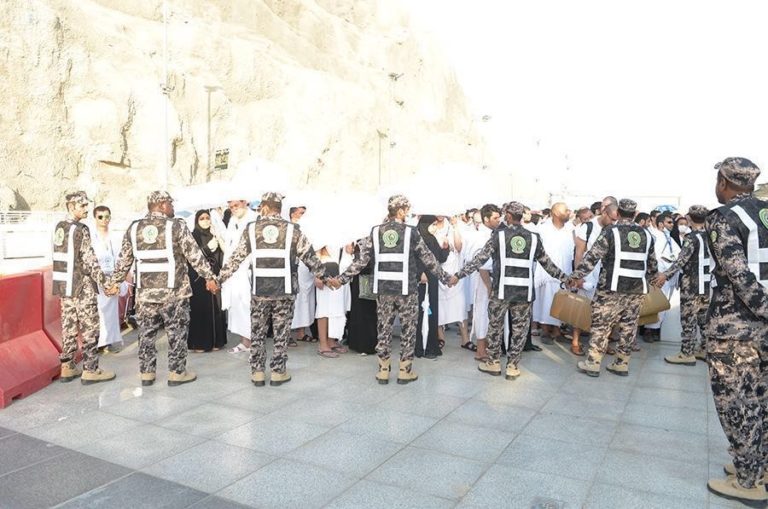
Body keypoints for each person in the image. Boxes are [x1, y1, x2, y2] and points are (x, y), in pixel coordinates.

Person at [701, 158, 768, 503]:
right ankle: (759, 465)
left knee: (736, 405)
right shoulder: (764, 213)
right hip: (763, 331)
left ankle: (747, 481)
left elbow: (739, 276)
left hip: (734, 329)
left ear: (725, 181)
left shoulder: (723, 218)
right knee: (762, 400)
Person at [332, 195, 453, 385]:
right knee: (408, 330)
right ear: (401, 211)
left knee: (384, 329)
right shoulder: (411, 232)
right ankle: (405, 371)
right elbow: (428, 259)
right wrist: (447, 278)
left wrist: (340, 279)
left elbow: (361, 261)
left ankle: (383, 370)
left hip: (384, 289)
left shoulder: (375, 231)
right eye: (407, 209)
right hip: (407, 290)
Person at [108, 191, 219, 387]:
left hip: (145, 295)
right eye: (170, 202)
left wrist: (115, 282)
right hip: (173, 294)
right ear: (161, 205)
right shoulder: (176, 225)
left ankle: (147, 374)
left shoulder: (134, 228)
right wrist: (209, 277)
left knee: (146, 334)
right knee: (176, 333)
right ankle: (177, 373)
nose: (172, 206)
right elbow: (194, 255)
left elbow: (124, 260)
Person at [217, 192, 328, 386]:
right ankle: (278, 372)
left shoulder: (252, 229)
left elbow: (236, 258)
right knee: (281, 332)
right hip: (284, 290)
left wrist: (218, 280)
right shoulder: (293, 229)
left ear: (265, 207)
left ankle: (258, 373)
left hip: (260, 290)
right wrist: (327, 277)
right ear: (279, 208)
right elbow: (310, 257)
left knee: (258, 332)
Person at [450, 202, 571, 379]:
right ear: (522, 217)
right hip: (524, 293)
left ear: (507, 216)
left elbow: (479, 260)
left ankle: (493, 363)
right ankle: (513, 366)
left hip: (501, 291)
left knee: (495, 327)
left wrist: (457, 276)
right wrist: (567, 279)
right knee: (520, 330)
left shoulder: (498, 236)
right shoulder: (534, 238)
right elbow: (548, 264)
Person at [568, 199, 659, 377]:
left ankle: (593, 363)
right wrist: (653, 280)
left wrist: (575, 276)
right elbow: (652, 264)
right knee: (628, 327)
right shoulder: (646, 235)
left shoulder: (611, 231)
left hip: (610, 288)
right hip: (636, 290)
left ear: (618, 213)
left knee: (601, 325)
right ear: (634, 214)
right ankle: (622, 363)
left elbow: (592, 257)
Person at [52, 191, 116, 385]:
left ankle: (67, 366)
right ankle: (90, 369)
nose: (86, 209)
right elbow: (89, 261)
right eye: (82, 206)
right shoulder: (82, 229)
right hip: (81, 287)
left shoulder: (59, 227)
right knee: (90, 327)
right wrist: (106, 283)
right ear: (71, 207)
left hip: (64, 286)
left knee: (69, 327)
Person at [651, 205, 710, 365]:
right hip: (707, 284)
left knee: (688, 320)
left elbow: (681, 261)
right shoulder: (710, 235)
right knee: (703, 320)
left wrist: (665, 275)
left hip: (691, 285)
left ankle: (687, 354)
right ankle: (704, 349)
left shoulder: (692, 238)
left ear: (690, 218)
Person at [570, 197, 618, 355]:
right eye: (611, 218)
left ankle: (603, 343)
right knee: (582, 308)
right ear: (604, 212)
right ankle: (575, 342)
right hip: (588, 276)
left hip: (607, 277)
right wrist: (578, 276)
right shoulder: (588, 227)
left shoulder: (615, 228)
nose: (613, 221)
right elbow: (579, 253)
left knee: (606, 312)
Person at [464, 204, 502, 360]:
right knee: (482, 313)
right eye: (495, 218)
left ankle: (487, 347)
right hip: (483, 279)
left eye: (499, 217)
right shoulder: (481, 237)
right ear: (486, 219)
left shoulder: (494, 234)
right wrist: (488, 285)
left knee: (490, 314)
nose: (498, 220)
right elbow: (481, 263)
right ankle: (481, 350)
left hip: (492, 278)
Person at [532, 202, 574, 342]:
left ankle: (557, 330)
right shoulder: (543, 229)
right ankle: (545, 330)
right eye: (566, 210)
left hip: (565, 271)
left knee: (561, 301)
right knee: (545, 300)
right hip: (546, 272)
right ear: (556, 213)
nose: (569, 212)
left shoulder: (571, 229)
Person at [187, 210, 228, 352]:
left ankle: (217, 341)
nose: (205, 220)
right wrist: (207, 249)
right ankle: (200, 343)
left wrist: (219, 240)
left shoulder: (214, 234)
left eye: (207, 218)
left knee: (216, 306)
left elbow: (225, 254)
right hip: (199, 278)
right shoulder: (193, 236)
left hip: (215, 274)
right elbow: (191, 256)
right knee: (201, 308)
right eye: (202, 218)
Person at [222, 199, 259, 353]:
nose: (233, 209)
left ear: (244, 203)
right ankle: (245, 341)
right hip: (234, 271)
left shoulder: (255, 220)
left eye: (236, 205)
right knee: (237, 307)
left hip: (248, 269)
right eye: (230, 207)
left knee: (248, 305)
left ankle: (252, 341)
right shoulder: (232, 220)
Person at [90, 205, 125, 353]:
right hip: (97, 278)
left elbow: (121, 258)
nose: (104, 220)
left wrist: (118, 279)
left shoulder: (115, 237)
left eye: (107, 217)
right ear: (95, 218)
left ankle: (109, 341)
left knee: (111, 311)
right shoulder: (91, 237)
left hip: (112, 277)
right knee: (98, 310)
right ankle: (97, 341)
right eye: (100, 217)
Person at [415, 215, 449, 359]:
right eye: (433, 224)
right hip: (422, 280)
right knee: (421, 312)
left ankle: (429, 346)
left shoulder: (431, 238)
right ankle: (420, 346)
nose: (435, 227)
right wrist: (420, 272)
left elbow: (439, 258)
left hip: (432, 279)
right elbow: (413, 258)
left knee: (430, 311)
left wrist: (445, 248)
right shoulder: (418, 239)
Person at [644, 212, 681, 341]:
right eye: (669, 222)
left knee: (664, 305)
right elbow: (653, 257)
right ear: (661, 224)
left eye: (672, 222)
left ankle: (657, 330)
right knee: (655, 304)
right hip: (659, 275)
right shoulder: (654, 237)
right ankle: (649, 331)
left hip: (670, 275)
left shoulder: (670, 238)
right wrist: (657, 274)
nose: (672, 225)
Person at [314, 244, 353, 358]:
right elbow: (317, 252)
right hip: (327, 273)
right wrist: (317, 275)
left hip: (342, 275)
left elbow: (348, 250)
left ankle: (331, 340)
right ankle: (323, 344)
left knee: (338, 308)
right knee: (324, 309)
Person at [346, 237, 378, 354]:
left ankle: (366, 345)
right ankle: (360, 343)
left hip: (366, 278)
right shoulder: (359, 240)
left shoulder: (369, 240)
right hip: (360, 279)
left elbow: (365, 261)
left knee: (366, 311)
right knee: (360, 311)